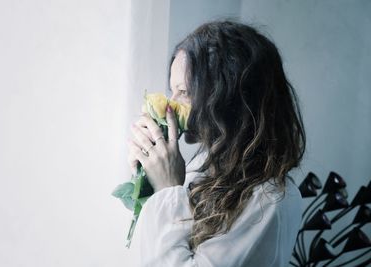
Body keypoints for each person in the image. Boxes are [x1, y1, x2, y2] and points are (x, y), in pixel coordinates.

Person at [127, 19, 306, 267]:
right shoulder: (202, 165)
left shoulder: (268, 199)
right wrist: (148, 181)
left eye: (184, 92)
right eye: (172, 91)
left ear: (227, 97)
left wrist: (168, 188)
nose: (170, 104)